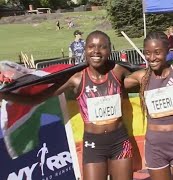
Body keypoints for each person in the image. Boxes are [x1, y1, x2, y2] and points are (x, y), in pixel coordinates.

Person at [1, 30, 133, 180]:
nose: (96, 51)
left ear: (109, 50)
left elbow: (144, 79)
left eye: (102, 47)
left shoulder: (118, 71)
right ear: (85, 50)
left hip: (120, 142)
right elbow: (36, 99)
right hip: (93, 146)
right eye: (91, 46)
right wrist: (5, 94)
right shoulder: (76, 79)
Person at [124, 31, 173, 180]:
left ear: (167, 51)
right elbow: (114, 84)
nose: (152, 58)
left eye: (157, 53)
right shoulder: (142, 77)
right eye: (147, 53)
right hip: (155, 147)